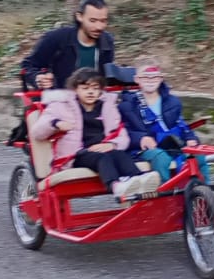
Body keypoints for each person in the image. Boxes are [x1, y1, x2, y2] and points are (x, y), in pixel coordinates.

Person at [28, 70, 160, 201]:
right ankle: (115, 186)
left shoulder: (107, 107)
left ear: (100, 91)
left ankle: (138, 178)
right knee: (102, 158)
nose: (91, 92)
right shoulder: (60, 106)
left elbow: (122, 135)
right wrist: (56, 123)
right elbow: (37, 132)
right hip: (75, 155)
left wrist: (112, 144)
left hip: (103, 149)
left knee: (118, 154)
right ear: (75, 89)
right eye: (85, 88)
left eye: (95, 89)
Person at [119, 61, 211, 184]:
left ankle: (201, 192)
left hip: (173, 144)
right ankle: (166, 195)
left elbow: (181, 124)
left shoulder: (172, 102)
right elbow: (123, 132)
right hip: (147, 148)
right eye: (145, 77)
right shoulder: (128, 105)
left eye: (155, 77)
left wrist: (190, 137)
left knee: (198, 156)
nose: (150, 80)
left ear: (161, 78)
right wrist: (141, 139)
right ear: (137, 79)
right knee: (161, 158)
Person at [19, 0, 135, 92]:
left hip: (93, 103)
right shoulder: (56, 38)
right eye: (93, 21)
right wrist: (38, 78)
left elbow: (105, 77)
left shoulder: (107, 41)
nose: (99, 27)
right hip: (61, 102)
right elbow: (28, 65)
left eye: (103, 21)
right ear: (79, 16)